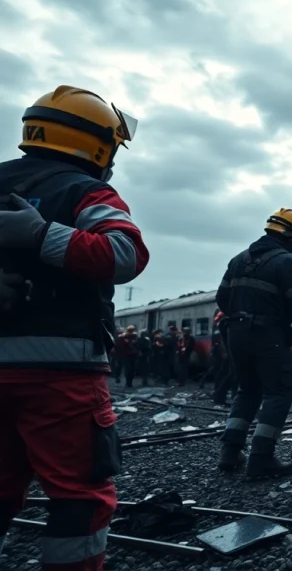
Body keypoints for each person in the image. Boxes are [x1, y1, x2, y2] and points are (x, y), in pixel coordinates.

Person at [0, 85, 147, 571]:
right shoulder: (86, 191)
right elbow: (124, 255)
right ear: (98, 145)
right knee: (79, 496)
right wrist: (44, 234)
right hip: (61, 378)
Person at [216, 208, 292, 479]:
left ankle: (230, 452)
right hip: (266, 334)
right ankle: (261, 458)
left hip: (235, 333)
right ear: (289, 235)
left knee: (247, 390)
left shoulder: (238, 260)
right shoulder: (285, 262)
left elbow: (222, 298)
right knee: (278, 391)